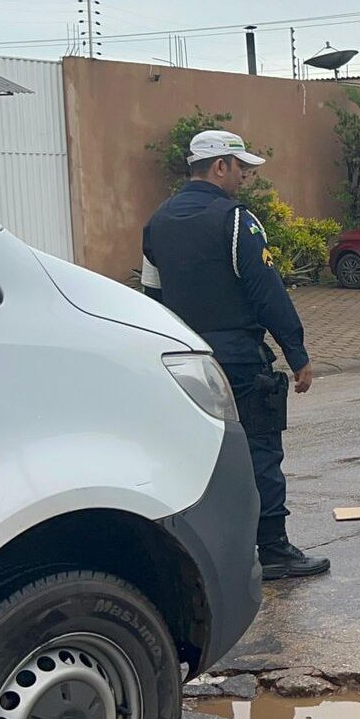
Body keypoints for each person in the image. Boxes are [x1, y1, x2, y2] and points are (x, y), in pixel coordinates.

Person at [141, 130, 330, 580]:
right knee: (260, 450)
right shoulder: (236, 220)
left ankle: (198, 553)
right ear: (219, 166)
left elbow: (151, 293)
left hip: (185, 358)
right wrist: (296, 351)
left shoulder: (157, 221)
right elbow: (266, 290)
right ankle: (274, 549)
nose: (245, 176)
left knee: (197, 453)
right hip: (239, 358)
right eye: (240, 167)